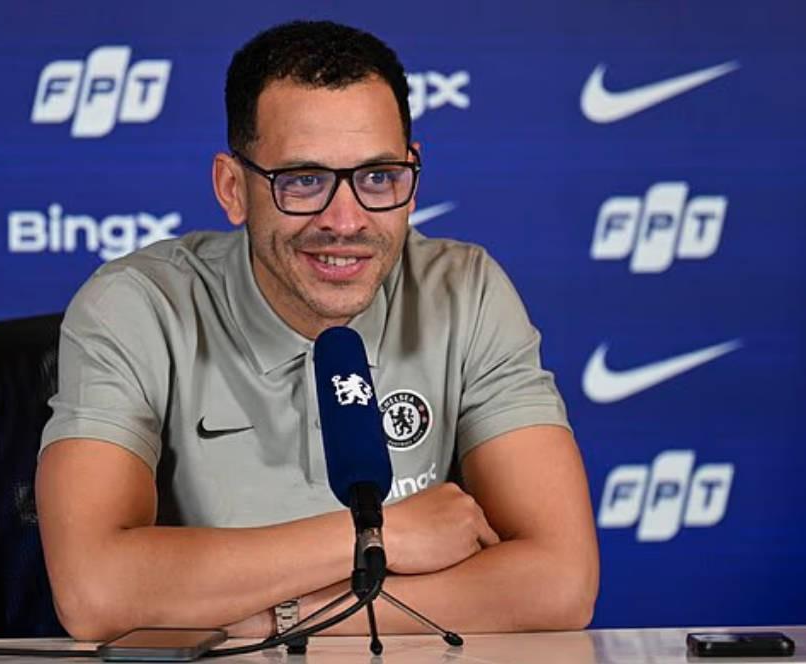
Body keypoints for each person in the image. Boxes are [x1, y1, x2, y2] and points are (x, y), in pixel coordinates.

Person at [35, 20, 599, 641]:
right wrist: (382, 534)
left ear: (413, 180)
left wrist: (281, 621)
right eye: (303, 180)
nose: (346, 220)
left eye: (378, 177)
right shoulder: (134, 305)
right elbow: (95, 592)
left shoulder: (466, 290)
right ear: (233, 188)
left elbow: (560, 583)